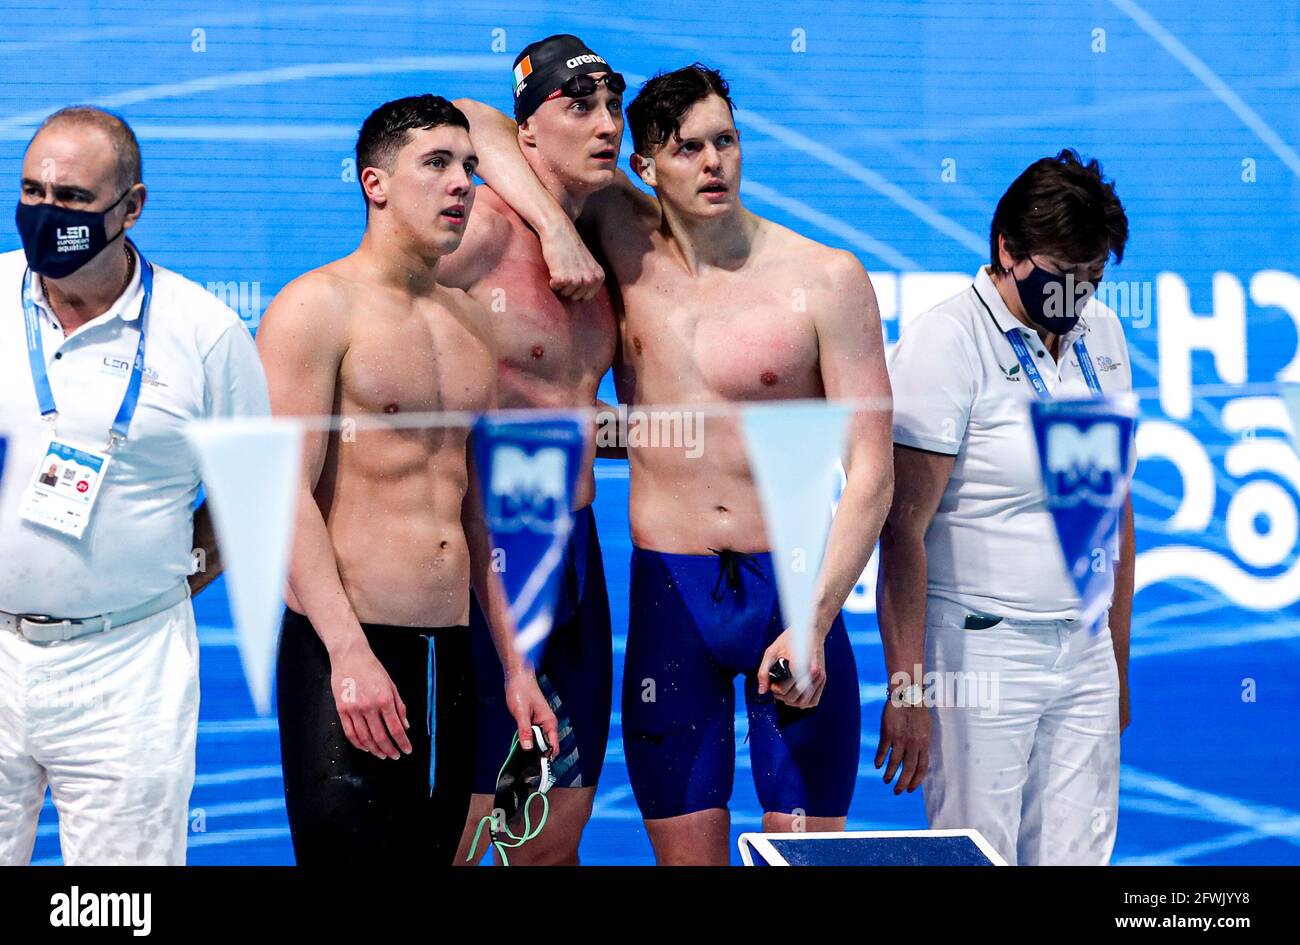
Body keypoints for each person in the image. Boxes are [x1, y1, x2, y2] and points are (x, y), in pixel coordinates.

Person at [459, 64, 893, 865]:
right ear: (644, 167)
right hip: (672, 600)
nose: (712, 163)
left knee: (804, 859)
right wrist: (556, 232)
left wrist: (817, 617)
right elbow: (475, 119)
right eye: (687, 148)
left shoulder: (825, 278)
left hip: (795, 593)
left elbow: (872, 470)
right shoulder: (623, 238)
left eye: (725, 141)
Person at [0, 106, 269, 865]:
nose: (46, 214)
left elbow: (249, 502)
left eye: (75, 199)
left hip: (128, 667)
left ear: (133, 206)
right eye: (31, 191)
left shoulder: (205, 333)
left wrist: (148, 587)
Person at [255, 95, 496, 866]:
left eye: (470, 167)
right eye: (437, 164)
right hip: (348, 648)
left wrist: (513, 666)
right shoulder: (315, 307)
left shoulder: (471, 321)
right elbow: (281, 495)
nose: (462, 184)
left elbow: (476, 508)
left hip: (450, 652)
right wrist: (348, 654)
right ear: (375, 183)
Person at [877, 149, 1134, 865]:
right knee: (979, 857)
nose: (1077, 294)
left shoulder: (1103, 335)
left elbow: (1114, 508)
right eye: (1063, 274)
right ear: (1008, 252)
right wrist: (907, 687)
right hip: (980, 649)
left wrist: (1115, 661)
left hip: (1083, 649)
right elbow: (901, 532)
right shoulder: (947, 341)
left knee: (1081, 857)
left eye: (1094, 276)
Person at [440, 34, 619, 866]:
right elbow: (463, 116)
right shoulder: (480, 228)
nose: (606, 124)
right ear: (528, 135)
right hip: (496, 555)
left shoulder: (613, 234)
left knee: (558, 826)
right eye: (578, 106)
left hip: (575, 552)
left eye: (612, 105)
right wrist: (550, 226)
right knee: (479, 826)